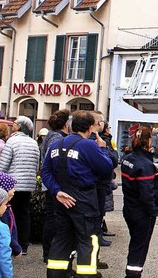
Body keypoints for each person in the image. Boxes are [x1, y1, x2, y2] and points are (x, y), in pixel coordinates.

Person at [41, 110, 113, 278]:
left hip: (62, 200)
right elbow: (106, 168)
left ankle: (55, 274)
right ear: (89, 127)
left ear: (71, 126)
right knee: (88, 240)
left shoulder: (56, 145)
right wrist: (103, 150)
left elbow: (45, 172)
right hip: (84, 200)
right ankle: (86, 275)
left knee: (61, 239)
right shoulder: (88, 145)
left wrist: (57, 191)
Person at [120, 126, 158, 278]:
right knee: (139, 247)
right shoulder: (144, 165)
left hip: (129, 209)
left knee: (135, 242)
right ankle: (132, 274)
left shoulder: (128, 159)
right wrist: (153, 211)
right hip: (142, 213)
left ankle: (131, 271)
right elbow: (146, 193)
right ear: (149, 140)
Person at [0, 116, 40, 255]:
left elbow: (3, 164)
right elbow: (36, 164)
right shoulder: (33, 143)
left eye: (15, 124)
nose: (13, 126)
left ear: (19, 127)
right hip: (28, 184)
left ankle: (12, 243)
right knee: (24, 213)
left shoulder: (12, 141)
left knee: (10, 213)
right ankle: (24, 243)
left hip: (12, 184)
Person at [40, 109, 70, 263]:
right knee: (52, 219)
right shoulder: (57, 138)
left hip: (51, 184)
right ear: (66, 123)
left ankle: (49, 252)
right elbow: (52, 162)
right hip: (54, 185)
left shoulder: (51, 135)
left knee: (51, 218)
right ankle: (48, 253)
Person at [90, 112, 118, 250]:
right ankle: (96, 238)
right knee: (96, 215)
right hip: (97, 184)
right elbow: (110, 162)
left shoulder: (100, 139)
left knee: (98, 214)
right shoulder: (98, 141)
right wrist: (104, 148)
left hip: (98, 184)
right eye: (101, 121)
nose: (103, 124)